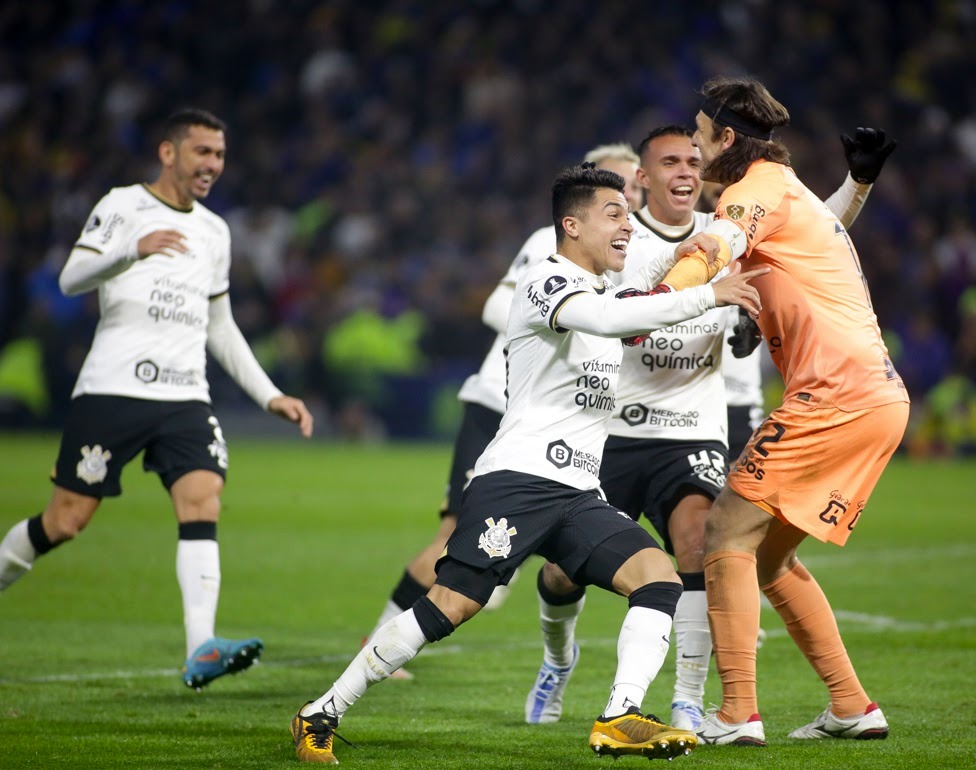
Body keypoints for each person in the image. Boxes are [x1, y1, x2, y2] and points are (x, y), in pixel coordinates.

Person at [290, 163, 768, 763]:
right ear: (571, 225)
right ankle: (322, 711)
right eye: (614, 214)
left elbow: (652, 287)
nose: (627, 225)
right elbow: (611, 320)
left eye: (628, 214)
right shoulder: (547, 281)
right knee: (452, 604)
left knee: (659, 578)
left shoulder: (608, 289)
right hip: (517, 479)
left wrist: (716, 256)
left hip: (578, 492)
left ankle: (620, 715)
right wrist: (709, 294)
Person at [523, 125, 895, 731]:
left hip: (691, 428)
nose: (686, 170)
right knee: (563, 570)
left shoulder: (726, 233)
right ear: (642, 178)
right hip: (612, 432)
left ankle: (692, 700)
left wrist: (857, 183)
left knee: (706, 540)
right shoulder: (614, 241)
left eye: (694, 159)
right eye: (669, 161)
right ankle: (557, 659)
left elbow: (814, 227)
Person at [0, 109, 314, 691]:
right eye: (202, 153)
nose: (213, 167)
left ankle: (201, 648)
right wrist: (131, 250)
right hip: (114, 388)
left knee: (203, 500)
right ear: (168, 153)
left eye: (219, 156)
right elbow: (71, 279)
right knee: (67, 520)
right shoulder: (122, 206)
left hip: (185, 395)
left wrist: (270, 395)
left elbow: (220, 325)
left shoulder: (216, 231)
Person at [362, 144, 642, 672]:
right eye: (620, 194)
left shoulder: (623, 253)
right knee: (453, 541)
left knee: (540, 559)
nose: (631, 204)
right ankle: (379, 642)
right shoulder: (551, 246)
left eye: (634, 193)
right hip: (503, 402)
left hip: (562, 415)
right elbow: (498, 304)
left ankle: (547, 652)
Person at [686, 77, 907, 746]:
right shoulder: (788, 189)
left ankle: (736, 714)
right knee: (770, 558)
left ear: (726, 140)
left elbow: (713, 250)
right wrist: (860, 186)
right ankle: (851, 705)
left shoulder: (750, 189)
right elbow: (822, 230)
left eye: (699, 138)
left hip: (833, 397)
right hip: (876, 397)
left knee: (722, 533)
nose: (694, 153)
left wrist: (654, 300)